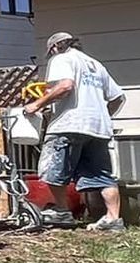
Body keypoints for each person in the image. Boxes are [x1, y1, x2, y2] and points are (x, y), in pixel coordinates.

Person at [23, 31, 127, 233]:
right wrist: (102, 116)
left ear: (55, 47)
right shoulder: (96, 65)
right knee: (103, 175)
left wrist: (35, 105)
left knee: (52, 169)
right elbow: (118, 98)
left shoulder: (62, 58)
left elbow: (65, 86)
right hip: (98, 129)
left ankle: (62, 211)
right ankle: (113, 219)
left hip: (68, 125)